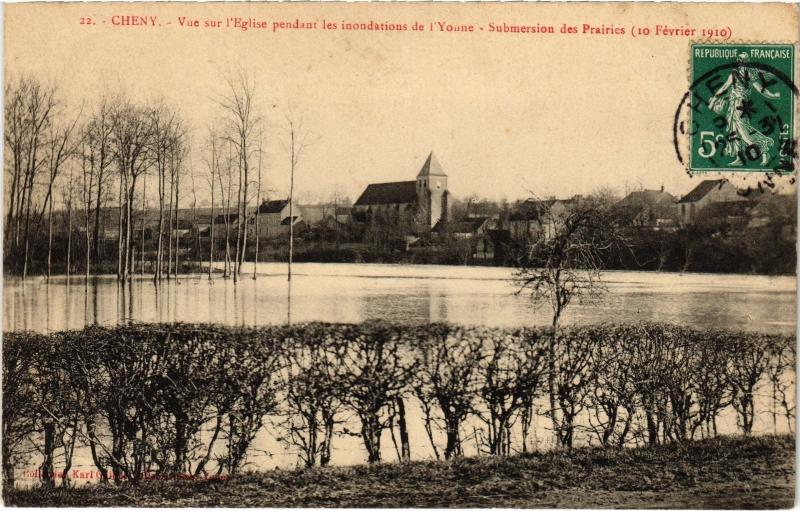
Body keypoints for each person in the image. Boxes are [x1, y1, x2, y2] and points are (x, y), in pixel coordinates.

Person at [708, 52, 781, 166]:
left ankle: (764, 150)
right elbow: (725, 87)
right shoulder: (740, 74)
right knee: (734, 130)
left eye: (741, 61)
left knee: (743, 131)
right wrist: (773, 96)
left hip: (740, 104)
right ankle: (739, 158)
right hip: (734, 104)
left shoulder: (746, 74)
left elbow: (760, 90)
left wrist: (773, 96)